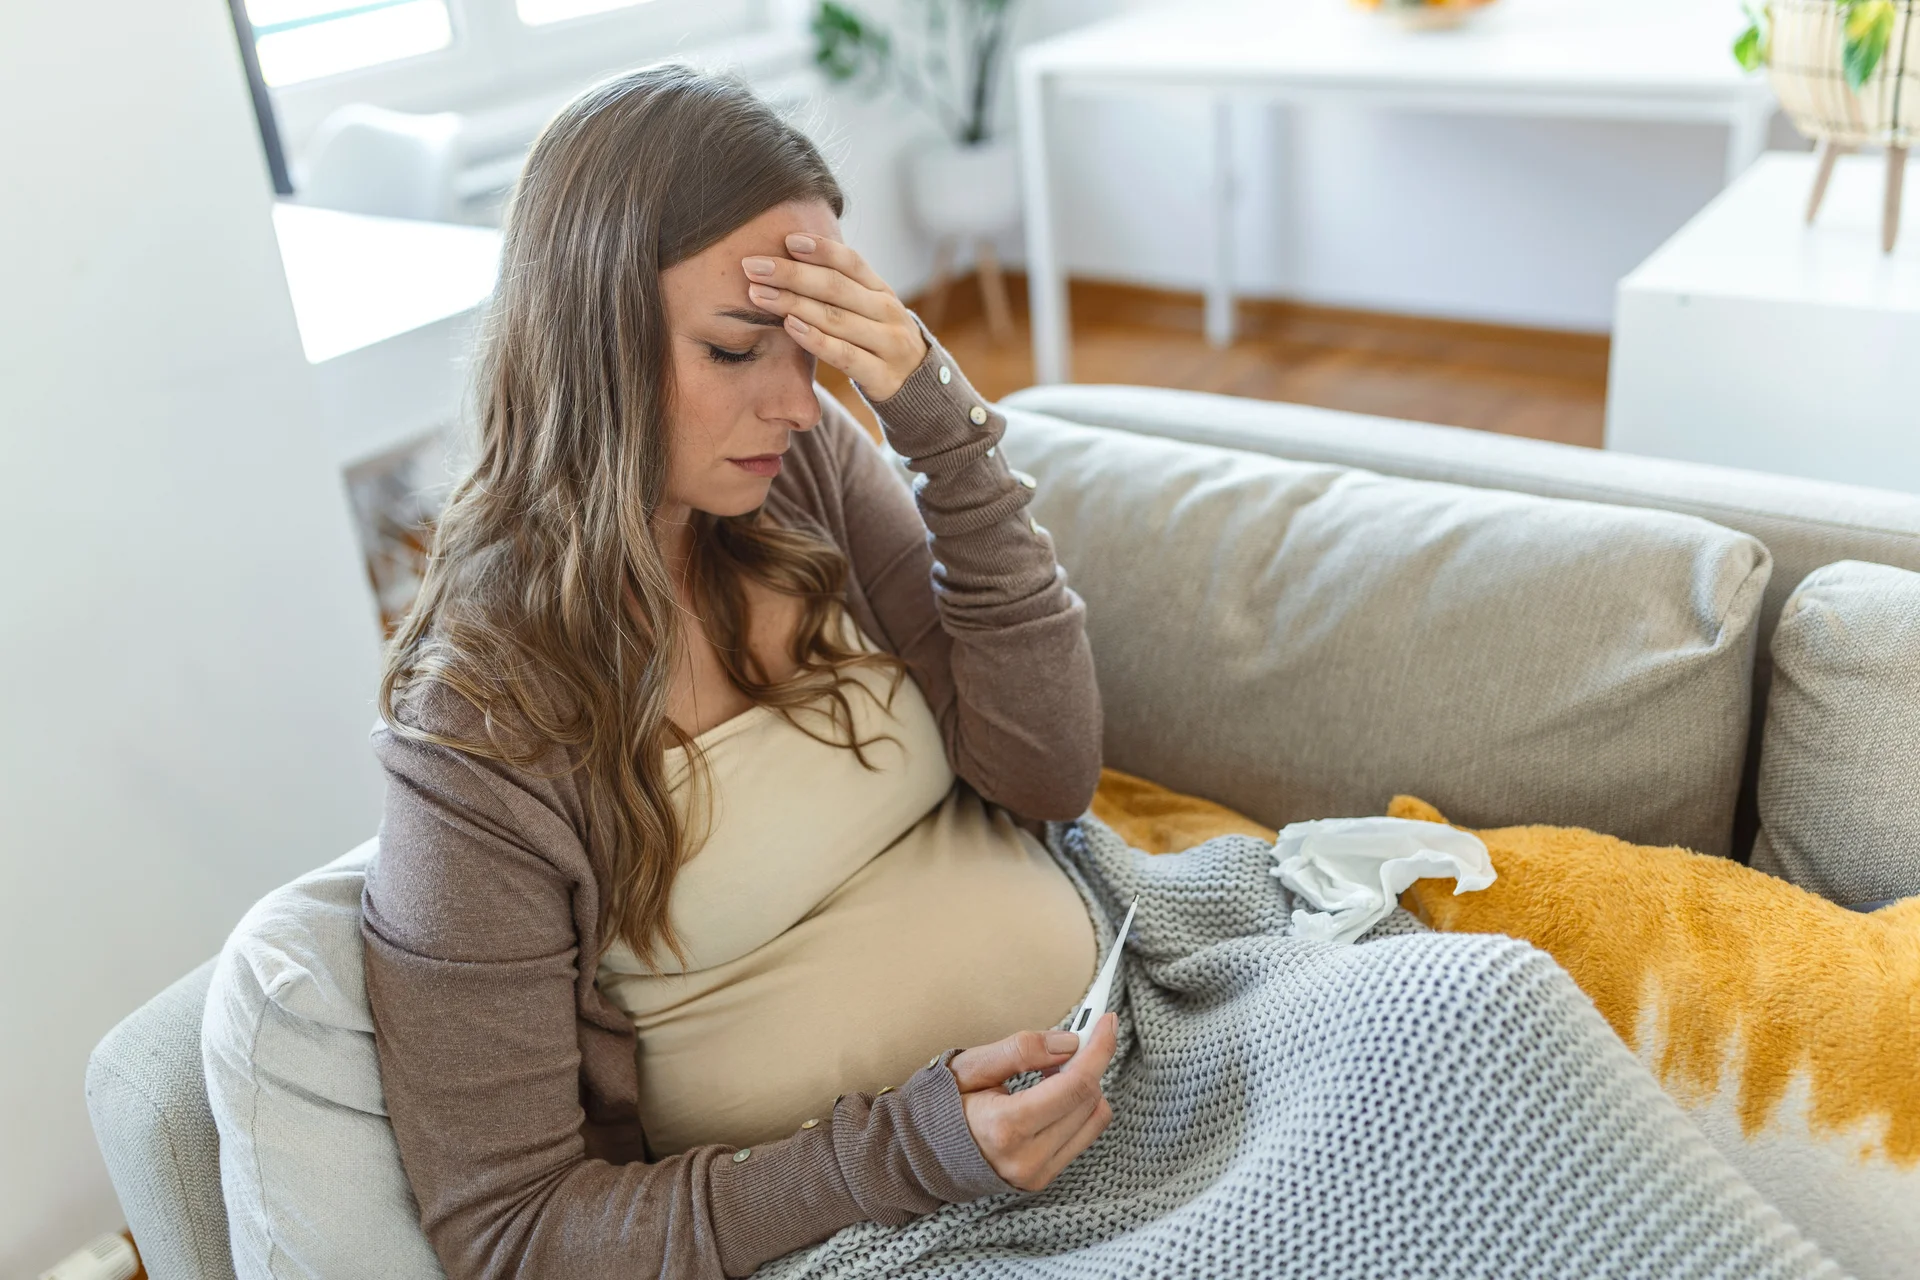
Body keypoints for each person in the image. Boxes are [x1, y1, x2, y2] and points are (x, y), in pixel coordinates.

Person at [363, 63, 1119, 1280]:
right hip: (897, 1231)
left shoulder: (799, 479)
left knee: (1443, 1021)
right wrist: (905, 1154)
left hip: (1118, 1052)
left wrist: (943, 430)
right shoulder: (477, 731)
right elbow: (509, 1231)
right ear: (588, 347)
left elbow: (1047, 775)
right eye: (734, 347)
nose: (802, 404)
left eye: (812, 343)